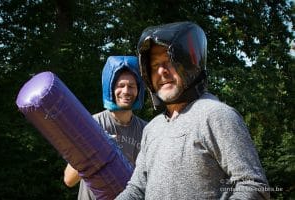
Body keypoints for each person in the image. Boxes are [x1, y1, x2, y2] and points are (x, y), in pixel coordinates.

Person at [116, 22, 270, 199]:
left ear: (190, 63)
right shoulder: (152, 128)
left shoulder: (216, 115)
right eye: (154, 66)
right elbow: (137, 189)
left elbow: (254, 186)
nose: (161, 72)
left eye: (169, 61)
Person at [63, 56, 147, 199]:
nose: (126, 91)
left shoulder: (147, 130)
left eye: (131, 86)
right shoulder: (92, 124)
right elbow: (69, 180)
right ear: (111, 88)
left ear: (138, 91)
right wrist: (97, 148)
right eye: (120, 86)